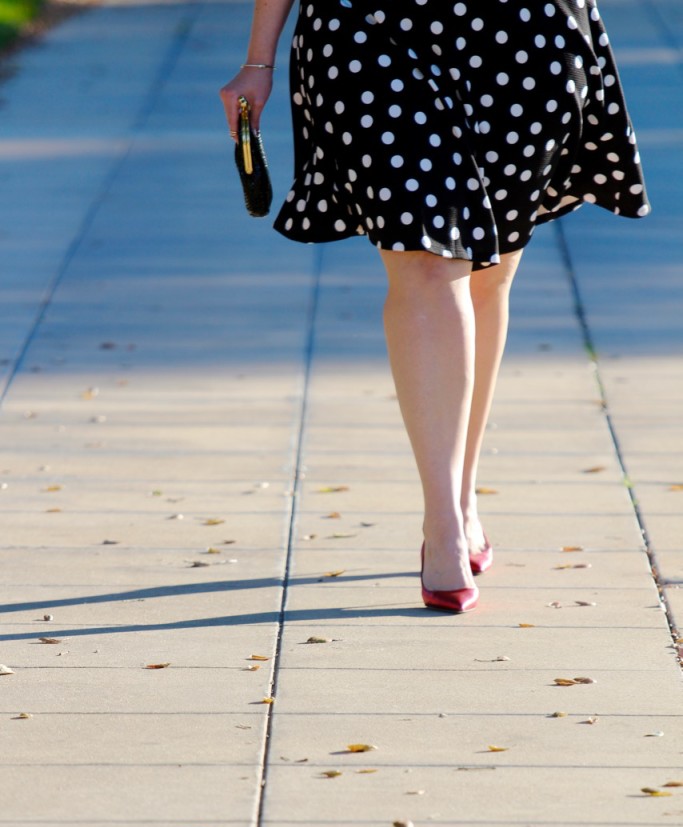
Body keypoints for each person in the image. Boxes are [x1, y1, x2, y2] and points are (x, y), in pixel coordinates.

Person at [220, 0, 650, 613]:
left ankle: (463, 493)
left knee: (491, 270)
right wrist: (258, 57)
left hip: (524, 37)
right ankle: (443, 521)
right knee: (424, 261)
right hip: (365, 32)